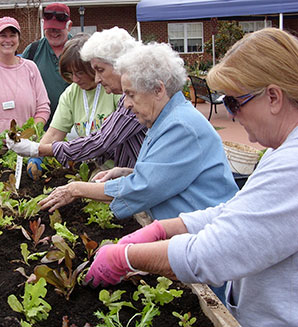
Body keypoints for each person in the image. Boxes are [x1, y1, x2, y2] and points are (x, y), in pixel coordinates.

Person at [84, 28, 298, 327]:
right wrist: (166, 228)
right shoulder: (282, 151)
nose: (232, 115)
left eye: (234, 102)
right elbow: (237, 211)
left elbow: (211, 254)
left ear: (273, 97)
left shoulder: (292, 165)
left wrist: (127, 258)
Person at [39, 41, 238, 222]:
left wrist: (77, 189)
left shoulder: (180, 127)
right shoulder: (165, 120)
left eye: (131, 94)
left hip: (206, 232)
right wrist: (125, 172)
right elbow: (168, 174)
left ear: (158, 90)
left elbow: (144, 188)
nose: (126, 104)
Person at [7, 27, 146, 178]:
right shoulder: (71, 93)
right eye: (70, 73)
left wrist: (37, 149)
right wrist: (37, 157)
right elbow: (54, 132)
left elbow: (102, 141)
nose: (74, 79)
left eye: (80, 73)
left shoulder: (124, 94)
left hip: (132, 172)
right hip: (113, 172)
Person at [22, 2, 72, 129]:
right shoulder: (33, 51)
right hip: (41, 126)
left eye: (58, 29)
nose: (54, 33)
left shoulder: (80, 50)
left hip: (74, 128)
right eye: (50, 29)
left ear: (69, 26)